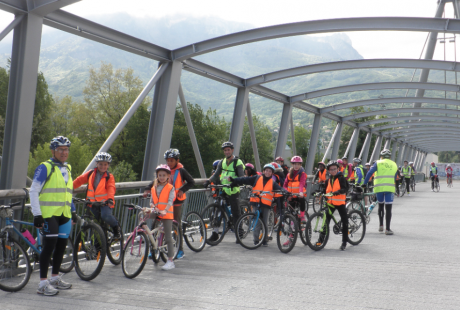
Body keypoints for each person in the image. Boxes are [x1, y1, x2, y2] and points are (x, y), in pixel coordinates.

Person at [30, 136, 77, 296]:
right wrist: (37, 214)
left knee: (61, 246)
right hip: (49, 214)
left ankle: (54, 278)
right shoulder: (45, 167)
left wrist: (74, 211)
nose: (64, 152)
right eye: (60, 149)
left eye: (66, 149)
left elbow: (67, 192)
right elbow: (33, 190)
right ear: (53, 151)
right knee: (49, 247)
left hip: (64, 214)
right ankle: (42, 283)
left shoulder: (68, 167)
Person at [144, 148, 195, 259]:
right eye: (167, 160)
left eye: (171, 160)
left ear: (177, 160)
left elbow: (191, 182)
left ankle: (180, 249)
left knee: (176, 224)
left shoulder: (181, 170)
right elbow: (155, 181)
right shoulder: (164, 170)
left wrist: (182, 189)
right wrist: (147, 189)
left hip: (176, 201)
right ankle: (154, 249)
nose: (169, 163)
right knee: (155, 224)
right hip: (162, 203)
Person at [229, 164, 287, 246]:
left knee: (265, 222)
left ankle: (265, 240)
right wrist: (234, 180)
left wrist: (284, 190)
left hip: (266, 204)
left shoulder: (272, 183)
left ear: (272, 173)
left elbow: (279, 188)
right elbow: (245, 179)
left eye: (270, 171)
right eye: (266, 170)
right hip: (256, 202)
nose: (267, 172)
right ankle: (256, 240)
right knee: (257, 222)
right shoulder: (256, 178)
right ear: (263, 171)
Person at [73, 152, 120, 239]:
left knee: (105, 216)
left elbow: (111, 188)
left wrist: (110, 199)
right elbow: (79, 180)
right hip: (92, 203)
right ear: (96, 164)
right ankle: (98, 246)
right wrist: (69, 188)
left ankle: (116, 228)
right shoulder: (90, 173)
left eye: (105, 164)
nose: (103, 166)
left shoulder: (109, 176)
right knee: (96, 225)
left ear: (108, 165)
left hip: (105, 203)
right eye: (100, 164)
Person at [204, 141, 245, 243]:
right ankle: (215, 233)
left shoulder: (238, 162)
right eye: (225, 150)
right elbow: (216, 174)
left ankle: (239, 233)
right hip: (223, 189)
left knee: (236, 212)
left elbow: (242, 177)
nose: (227, 152)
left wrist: (234, 182)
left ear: (232, 150)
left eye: (228, 150)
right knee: (217, 210)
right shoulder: (222, 162)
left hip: (233, 190)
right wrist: (208, 181)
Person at [144, 164, 176, 270]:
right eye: (159, 175)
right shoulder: (154, 187)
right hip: (157, 212)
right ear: (157, 176)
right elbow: (152, 202)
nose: (161, 177)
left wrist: (164, 210)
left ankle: (170, 261)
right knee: (144, 215)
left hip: (167, 214)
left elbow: (170, 201)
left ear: (168, 176)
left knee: (168, 238)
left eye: (163, 175)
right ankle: (142, 233)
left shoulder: (170, 188)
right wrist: (152, 208)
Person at [363, 149, 398, 235]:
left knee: (381, 206)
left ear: (381, 157)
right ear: (390, 157)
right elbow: (395, 177)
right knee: (388, 208)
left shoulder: (378, 163)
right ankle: (388, 229)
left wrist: (364, 183)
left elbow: (369, 173)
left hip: (378, 188)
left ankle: (381, 225)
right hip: (390, 188)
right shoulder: (394, 164)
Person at [321, 160, 349, 251]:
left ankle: (344, 242)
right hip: (331, 203)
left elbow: (344, 189)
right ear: (328, 170)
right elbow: (325, 191)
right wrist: (318, 193)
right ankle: (320, 241)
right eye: (331, 169)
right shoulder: (328, 180)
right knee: (326, 222)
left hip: (340, 203)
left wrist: (337, 192)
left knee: (345, 221)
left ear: (338, 169)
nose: (333, 171)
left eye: (334, 169)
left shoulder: (341, 178)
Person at [283, 156, 308, 223]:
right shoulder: (289, 174)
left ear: (300, 165)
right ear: (292, 164)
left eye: (298, 164)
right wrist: (287, 192)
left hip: (299, 194)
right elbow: (285, 185)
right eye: (294, 164)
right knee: (292, 213)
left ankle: (302, 216)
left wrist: (301, 192)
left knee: (302, 200)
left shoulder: (302, 174)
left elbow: (302, 183)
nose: (296, 166)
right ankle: (293, 230)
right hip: (291, 195)